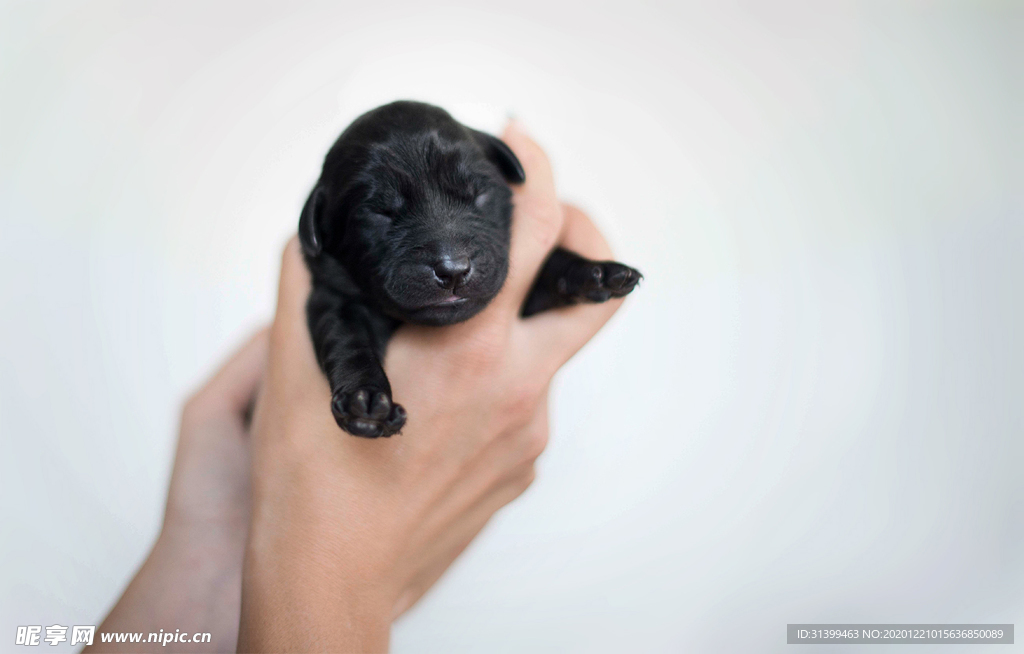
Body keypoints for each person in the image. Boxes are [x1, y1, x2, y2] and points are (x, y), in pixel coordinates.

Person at [87, 123, 629, 652]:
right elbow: (341, 320)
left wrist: (567, 274)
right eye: (382, 213)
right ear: (321, 229)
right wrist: (338, 575)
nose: (451, 259)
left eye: (477, 197)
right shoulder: (336, 284)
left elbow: (525, 287)